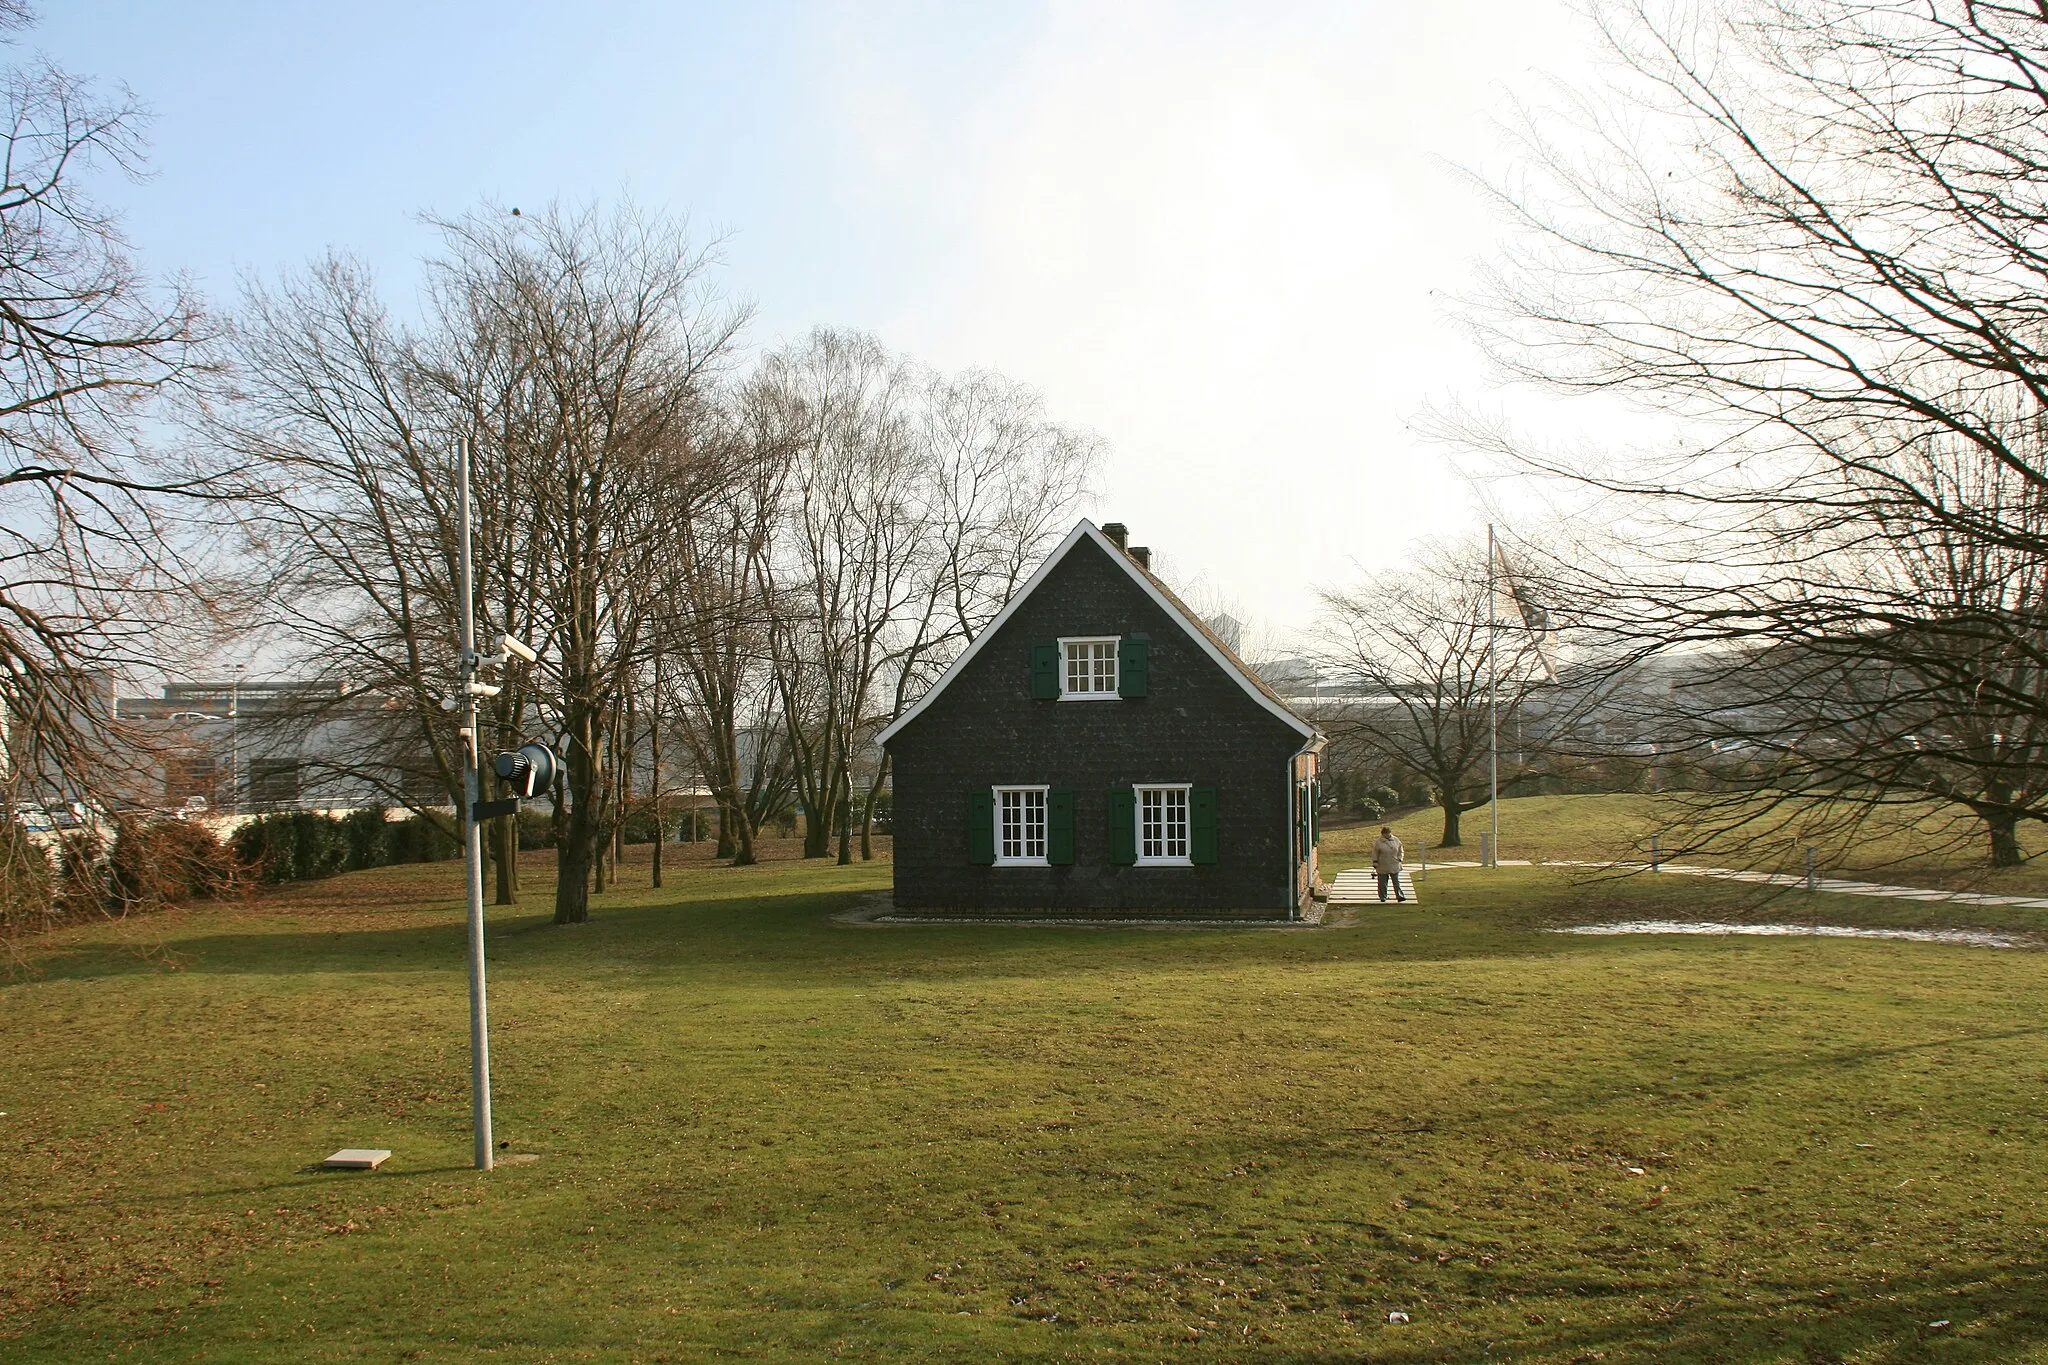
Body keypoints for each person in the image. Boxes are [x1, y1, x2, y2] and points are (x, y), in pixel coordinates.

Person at [1372, 825, 1405, 903]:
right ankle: (1383, 897)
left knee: (1396, 882)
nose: (1386, 835)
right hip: (1382, 864)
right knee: (1382, 883)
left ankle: (1399, 896)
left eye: (1388, 833)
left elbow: (1401, 850)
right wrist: (1375, 861)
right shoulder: (1378, 842)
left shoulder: (1396, 840)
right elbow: (1375, 852)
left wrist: (1400, 858)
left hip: (1394, 864)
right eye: (1385, 834)